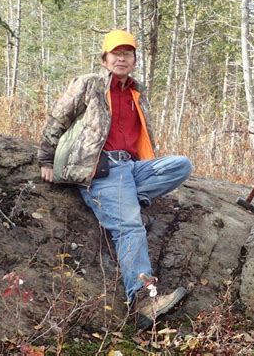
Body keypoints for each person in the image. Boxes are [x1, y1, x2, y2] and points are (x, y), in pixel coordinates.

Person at [37, 29, 192, 329]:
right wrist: (46, 159)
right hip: (102, 171)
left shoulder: (137, 91)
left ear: (134, 60)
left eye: (127, 53)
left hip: (132, 168)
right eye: (115, 53)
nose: (121, 58)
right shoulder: (89, 84)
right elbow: (59, 118)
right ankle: (143, 301)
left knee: (181, 165)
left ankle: (133, 197)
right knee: (130, 226)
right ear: (105, 59)